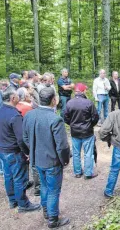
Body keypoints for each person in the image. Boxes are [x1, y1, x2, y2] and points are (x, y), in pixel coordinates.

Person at [23, 87, 70, 228]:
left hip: (37, 160)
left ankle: (46, 212)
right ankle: (53, 220)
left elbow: (24, 138)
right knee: (53, 190)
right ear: (54, 100)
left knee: (44, 187)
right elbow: (62, 146)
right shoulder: (55, 119)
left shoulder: (29, 115)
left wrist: (33, 151)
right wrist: (65, 161)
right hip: (52, 162)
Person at [0, 86, 41, 212]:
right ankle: (23, 204)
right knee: (20, 178)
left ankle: (12, 200)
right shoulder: (15, 116)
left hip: (2, 150)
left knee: (8, 176)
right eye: (16, 96)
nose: (18, 97)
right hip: (13, 151)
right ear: (12, 98)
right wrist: (27, 153)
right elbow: (21, 139)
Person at [64, 83, 99, 179]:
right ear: (83, 91)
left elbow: (65, 117)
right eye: (85, 90)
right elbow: (95, 117)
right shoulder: (88, 103)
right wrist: (90, 125)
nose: (86, 91)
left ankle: (77, 172)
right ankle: (88, 173)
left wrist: (72, 125)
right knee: (88, 152)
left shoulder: (69, 103)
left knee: (76, 153)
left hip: (75, 132)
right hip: (87, 132)